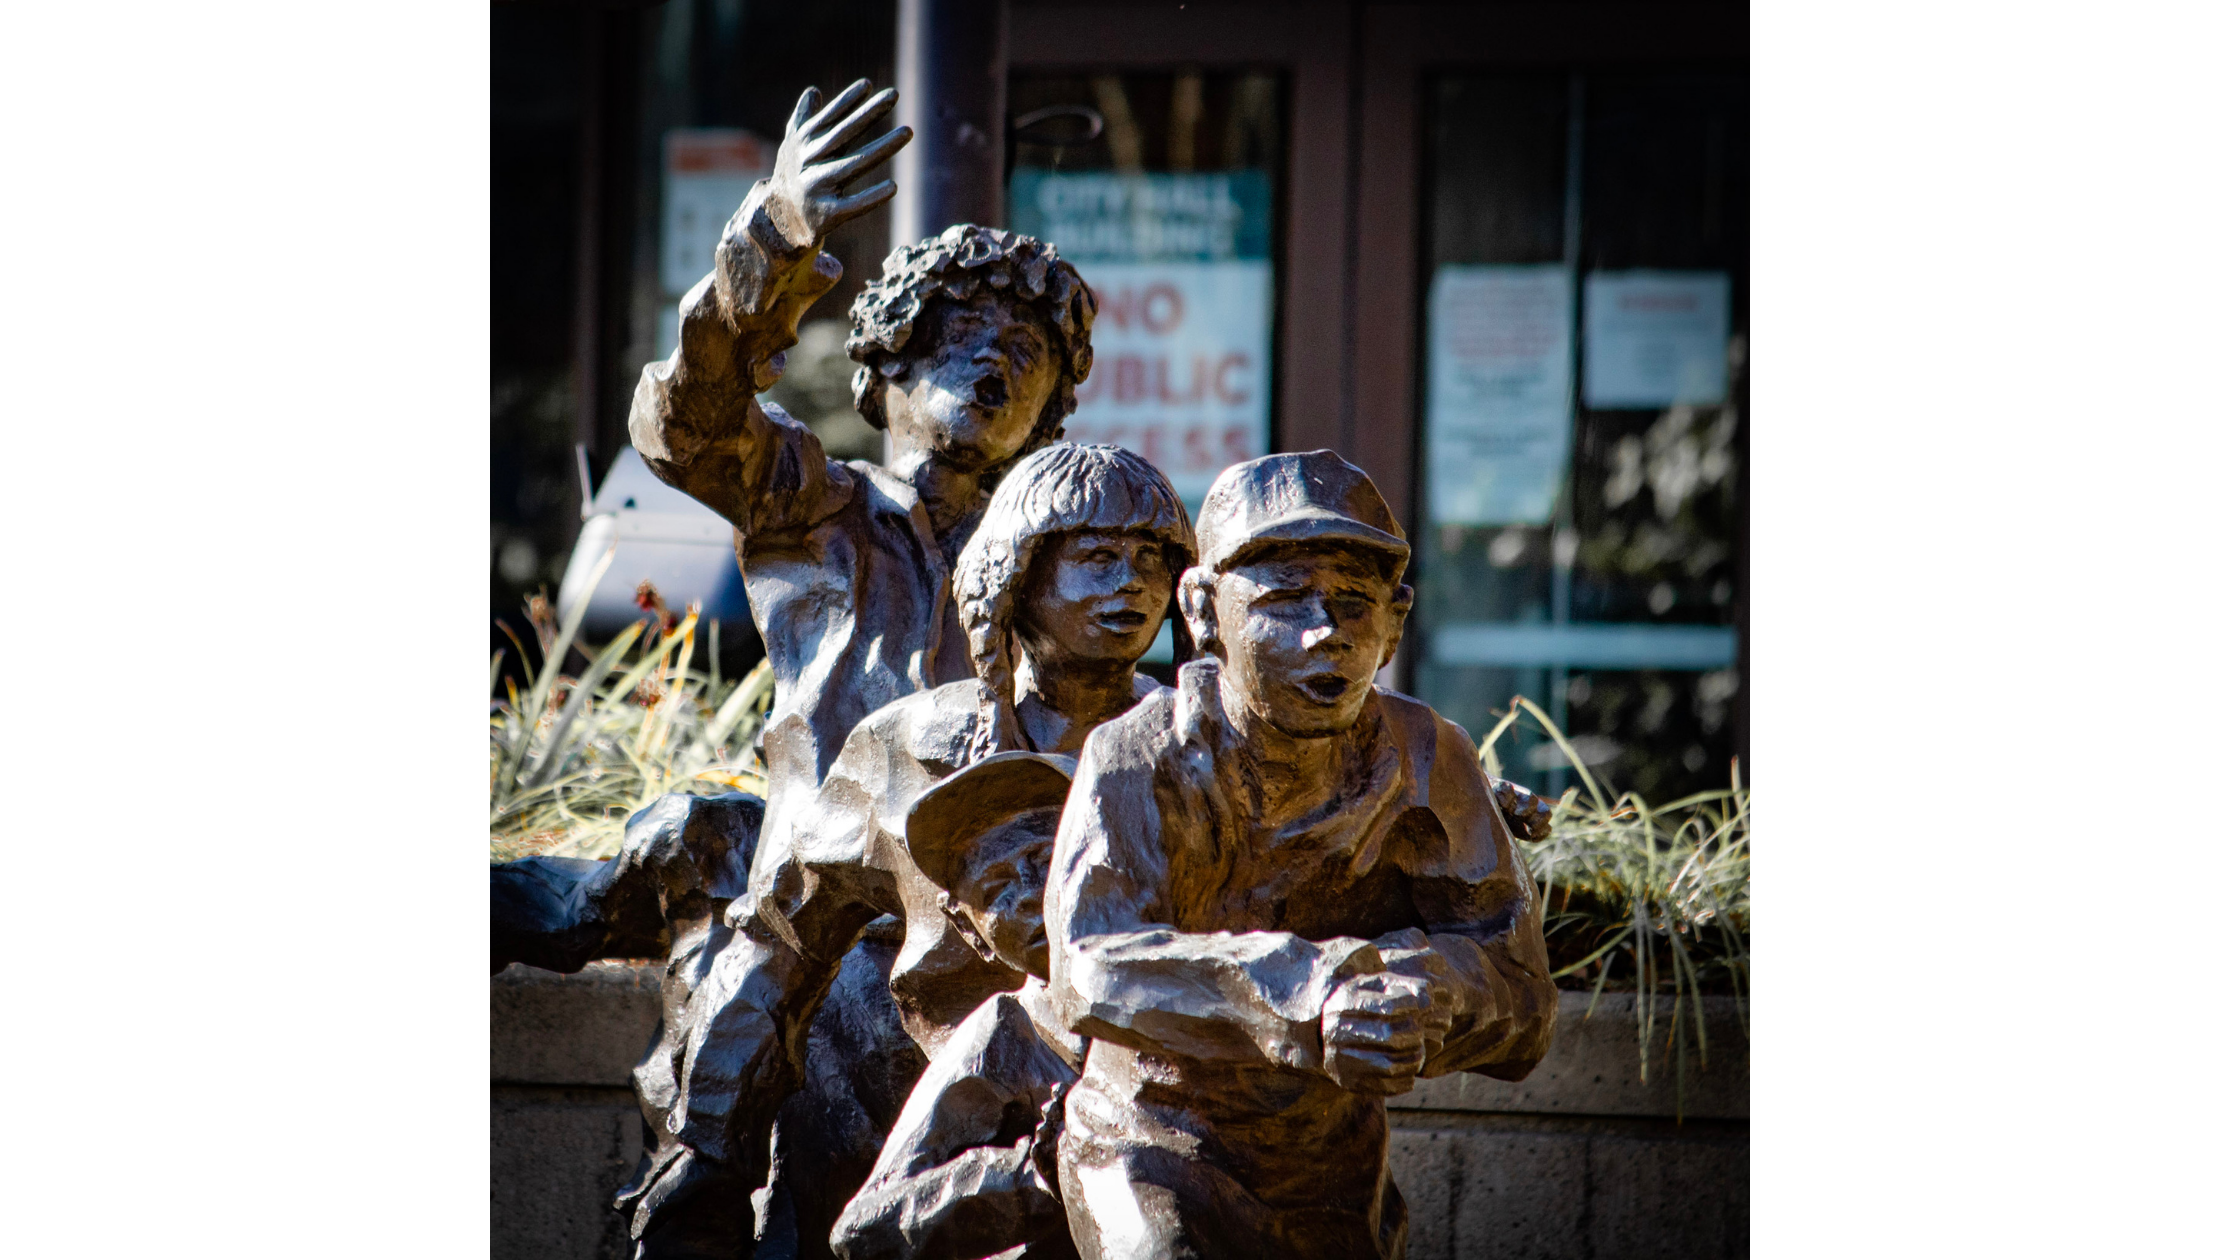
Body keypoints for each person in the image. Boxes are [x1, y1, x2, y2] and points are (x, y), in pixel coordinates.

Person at [619, 76, 1100, 1252]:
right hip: (825, 922)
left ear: (1047, 415)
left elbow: (1181, 718)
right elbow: (687, 422)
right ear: (883, 372)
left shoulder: (1069, 575)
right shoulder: (815, 506)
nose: (997, 364)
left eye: (1028, 354)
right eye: (965, 340)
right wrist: (773, 236)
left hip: (996, 931)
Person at [1047, 451, 1562, 1260]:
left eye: (1354, 604)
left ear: (1394, 625)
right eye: (1284, 600)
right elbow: (1088, 968)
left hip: (1329, 1167)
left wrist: (1424, 995)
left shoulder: (1430, 759)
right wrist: (1308, 991)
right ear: (1203, 610)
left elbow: (1522, 992)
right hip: (1149, 1142)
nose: (1326, 632)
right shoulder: (1136, 756)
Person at [828, 751, 1087, 1260]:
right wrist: (1037, 1173)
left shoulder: (1191, 972)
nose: (1032, 895)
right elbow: (864, 1227)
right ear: (971, 932)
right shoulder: (1007, 1033)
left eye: (1045, 861)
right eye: (996, 889)